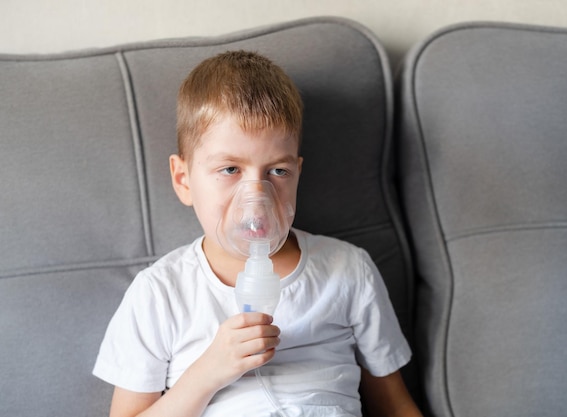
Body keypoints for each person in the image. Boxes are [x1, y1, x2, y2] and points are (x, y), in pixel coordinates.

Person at [93, 50, 422, 417]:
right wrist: (206, 373)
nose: (256, 198)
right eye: (230, 169)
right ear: (184, 180)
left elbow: (394, 403)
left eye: (278, 172)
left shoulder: (348, 270)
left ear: (297, 172)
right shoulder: (161, 293)